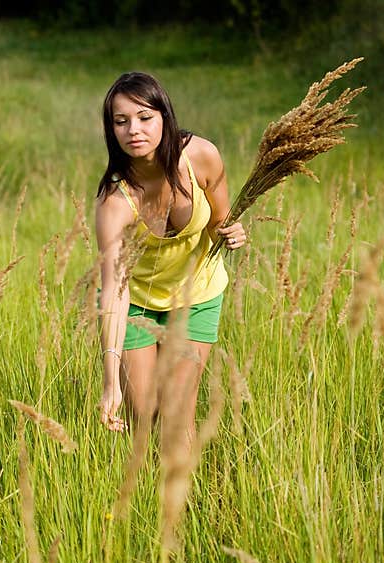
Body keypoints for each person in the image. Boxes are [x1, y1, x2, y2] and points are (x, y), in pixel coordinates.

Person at [95, 71, 247, 447]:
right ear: (111, 129)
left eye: (145, 117)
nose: (134, 129)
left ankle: (184, 500)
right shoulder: (116, 201)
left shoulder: (202, 157)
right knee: (144, 418)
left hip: (195, 297)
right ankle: (148, 495)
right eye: (122, 121)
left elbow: (219, 221)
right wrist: (110, 382)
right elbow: (115, 290)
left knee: (177, 416)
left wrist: (231, 233)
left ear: (165, 116)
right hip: (138, 307)